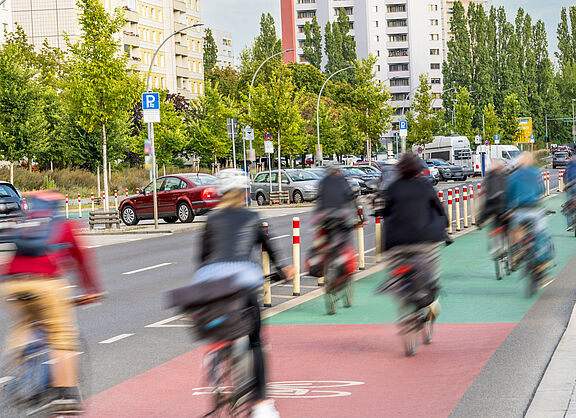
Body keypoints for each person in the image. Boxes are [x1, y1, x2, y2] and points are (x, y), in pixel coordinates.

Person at [196, 176, 293, 418]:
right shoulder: (252, 217)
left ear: (221, 194)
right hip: (243, 283)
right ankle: (261, 403)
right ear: (243, 193)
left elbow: (202, 258)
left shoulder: (211, 220)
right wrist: (283, 269)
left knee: (220, 324)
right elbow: (268, 247)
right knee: (256, 341)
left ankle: (217, 355)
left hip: (214, 284)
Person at [0, 190, 104, 415]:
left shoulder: (24, 222)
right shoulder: (65, 225)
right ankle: (66, 395)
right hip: (45, 284)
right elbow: (82, 260)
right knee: (62, 335)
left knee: (23, 327)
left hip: (11, 284)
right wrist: (92, 291)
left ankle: (18, 362)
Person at [380, 154, 448, 318]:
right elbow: (438, 208)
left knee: (396, 275)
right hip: (424, 240)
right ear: (418, 169)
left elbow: (385, 212)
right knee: (432, 269)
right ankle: (432, 300)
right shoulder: (425, 185)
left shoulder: (393, 187)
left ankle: (405, 305)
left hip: (397, 243)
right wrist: (445, 224)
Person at [505, 152, 553, 286]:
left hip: (519, 211)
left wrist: (508, 211)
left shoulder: (513, 175)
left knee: (515, 229)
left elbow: (509, 195)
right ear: (531, 162)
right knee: (541, 236)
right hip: (534, 210)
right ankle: (542, 273)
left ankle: (517, 251)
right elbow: (541, 190)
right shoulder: (536, 172)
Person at [563, 154, 576, 230]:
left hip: (570, 186)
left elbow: (565, 175)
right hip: (571, 186)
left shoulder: (569, 164)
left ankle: (570, 224)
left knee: (568, 205)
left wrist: (566, 184)